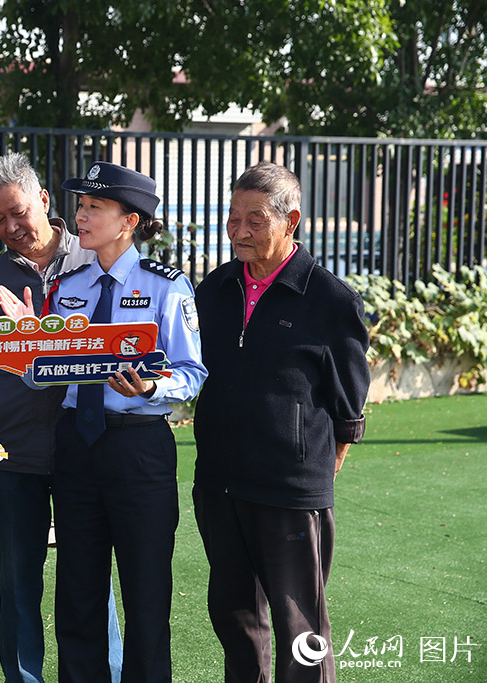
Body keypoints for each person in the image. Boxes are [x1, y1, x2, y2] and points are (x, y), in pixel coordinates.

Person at [0, 161, 207, 683]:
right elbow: (46, 377)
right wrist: (29, 344)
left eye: (95, 207)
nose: (81, 216)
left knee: (146, 593)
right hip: (76, 445)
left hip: (140, 449)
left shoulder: (167, 286)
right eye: (81, 206)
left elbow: (192, 372)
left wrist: (152, 388)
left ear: (129, 221)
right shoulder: (68, 285)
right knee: (78, 592)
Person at [192, 162, 371, 682]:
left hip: (289, 491)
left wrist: (313, 472)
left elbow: (348, 403)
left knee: (301, 628)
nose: (239, 230)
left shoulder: (331, 300)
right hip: (219, 484)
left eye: (255, 219)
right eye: (233, 217)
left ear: (290, 221)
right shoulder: (215, 289)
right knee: (234, 617)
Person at [0, 152, 124, 683]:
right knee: (17, 586)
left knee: (90, 581)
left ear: (45, 200)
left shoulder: (97, 260)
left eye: (18, 212)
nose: (11, 227)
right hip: (13, 456)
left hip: (87, 449)